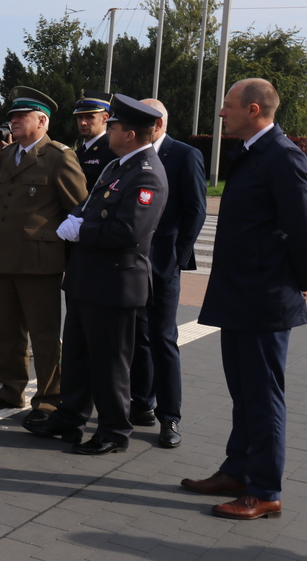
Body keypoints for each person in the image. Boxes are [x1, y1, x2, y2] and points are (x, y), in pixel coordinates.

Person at [182, 78, 307, 520]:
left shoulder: (283, 157)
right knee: (243, 391)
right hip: (240, 293)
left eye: (228, 106)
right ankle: (237, 470)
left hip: (264, 298)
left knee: (263, 396)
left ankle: (265, 490)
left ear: (253, 110)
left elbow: (301, 226)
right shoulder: (254, 152)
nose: (221, 113)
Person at [25, 94, 167, 455]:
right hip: (88, 279)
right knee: (77, 355)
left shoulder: (148, 173)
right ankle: (70, 417)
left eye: (115, 126)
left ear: (130, 135)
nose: (110, 130)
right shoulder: (117, 166)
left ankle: (114, 431)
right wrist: (75, 217)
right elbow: (89, 205)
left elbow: (127, 232)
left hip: (115, 284)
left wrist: (80, 231)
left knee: (110, 364)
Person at [0, 87, 88, 427]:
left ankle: (49, 398)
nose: (13, 121)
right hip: (7, 256)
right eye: (12, 117)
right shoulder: (10, 153)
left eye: (20, 117)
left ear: (42, 121)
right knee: (8, 330)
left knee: (43, 336)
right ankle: (11, 389)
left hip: (41, 261)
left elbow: (79, 208)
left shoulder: (58, 156)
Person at [129, 99, 206, 448]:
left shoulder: (184, 155)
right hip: (132, 262)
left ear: (158, 123)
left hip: (164, 264)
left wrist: (177, 256)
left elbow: (196, 211)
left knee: (163, 338)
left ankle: (169, 417)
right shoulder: (131, 154)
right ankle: (141, 403)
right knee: (138, 335)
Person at [74, 89, 118, 191]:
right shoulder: (77, 153)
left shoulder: (112, 151)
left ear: (105, 118)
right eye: (80, 117)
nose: (83, 123)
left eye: (90, 117)